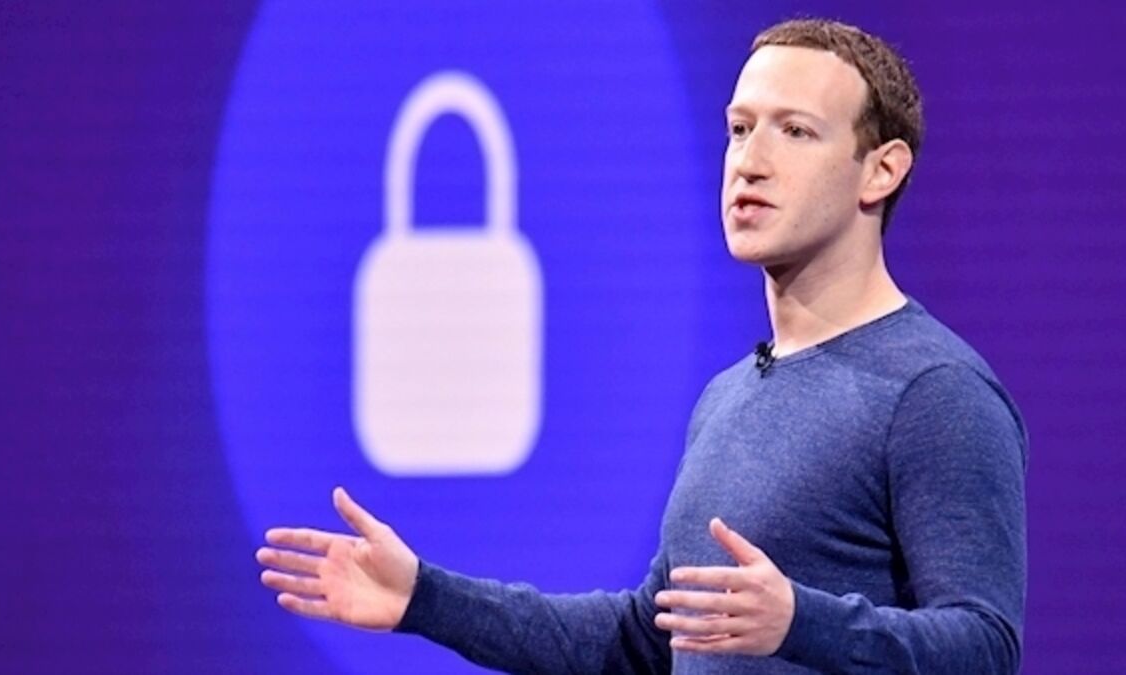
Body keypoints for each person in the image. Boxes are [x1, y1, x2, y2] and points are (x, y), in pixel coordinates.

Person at [256, 17, 1027, 674]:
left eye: (794, 131)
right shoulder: (729, 395)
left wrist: (802, 621)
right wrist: (425, 598)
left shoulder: (934, 390)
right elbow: (642, 639)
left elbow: (986, 645)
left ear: (881, 171)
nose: (750, 161)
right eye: (739, 128)